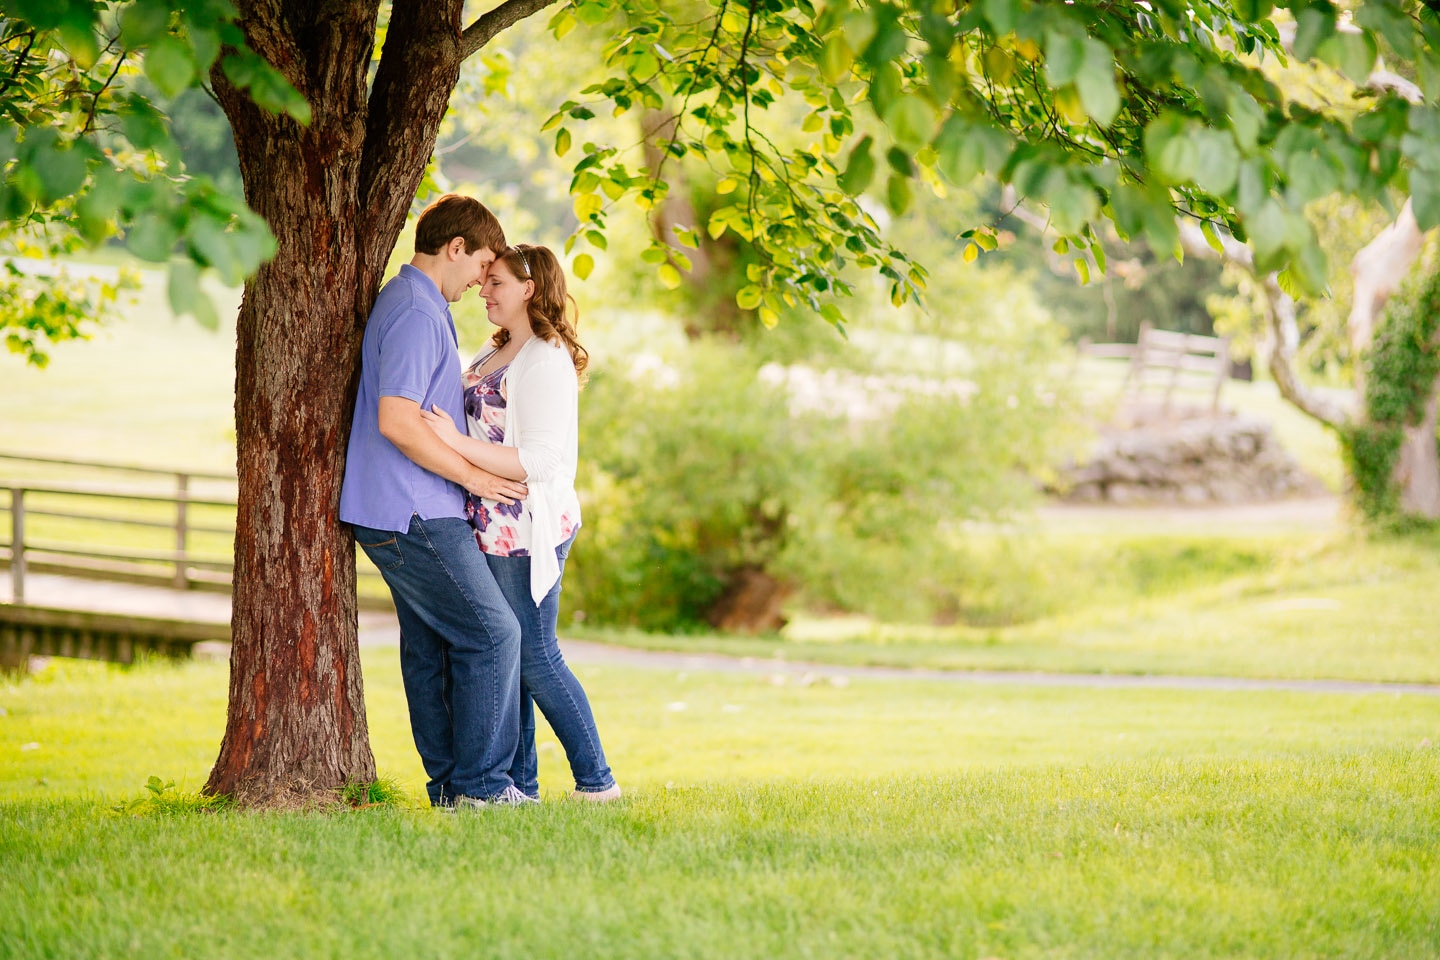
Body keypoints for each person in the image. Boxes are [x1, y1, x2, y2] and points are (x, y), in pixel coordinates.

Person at [339, 194, 536, 808]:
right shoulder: (419, 313)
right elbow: (397, 421)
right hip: (413, 509)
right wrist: (474, 479)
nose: (482, 280)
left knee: (430, 648)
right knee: (495, 634)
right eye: (480, 264)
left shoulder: (414, 303)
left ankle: (452, 789)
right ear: (456, 249)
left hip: (400, 506)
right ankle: (481, 789)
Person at [421, 243, 620, 801]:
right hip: (490, 521)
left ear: (529, 289)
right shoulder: (501, 347)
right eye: (483, 282)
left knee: (533, 656)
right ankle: (519, 786)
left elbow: (538, 463)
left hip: (525, 528)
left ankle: (597, 783)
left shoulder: (545, 359)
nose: (483, 290)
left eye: (496, 283)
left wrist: (453, 443)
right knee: (507, 656)